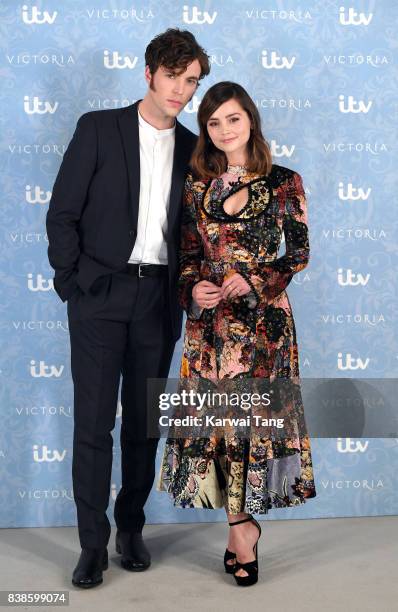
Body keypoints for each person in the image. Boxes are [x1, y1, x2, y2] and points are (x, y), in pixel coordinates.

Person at [45, 28, 210, 588]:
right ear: (149, 73)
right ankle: (91, 544)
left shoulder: (194, 149)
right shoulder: (98, 128)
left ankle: (130, 528)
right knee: (93, 426)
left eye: (190, 82)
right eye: (172, 77)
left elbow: (198, 235)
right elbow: (62, 212)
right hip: (98, 294)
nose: (181, 91)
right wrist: (74, 284)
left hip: (159, 301)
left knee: (143, 426)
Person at [158, 81, 317, 586]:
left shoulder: (285, 182)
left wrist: (252, 279)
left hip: (264, 329)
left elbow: (296, 255)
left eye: (233, 118)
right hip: (210, 333)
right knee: (214, 430)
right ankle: (240, 526)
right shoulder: (195, 186)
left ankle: (242, 527)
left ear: (250, 119)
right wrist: (194, 287)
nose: (225, 130)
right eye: (213, 122)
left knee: (251, 430)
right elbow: (186, 258)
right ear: (206, 130)